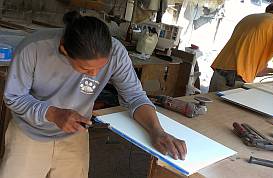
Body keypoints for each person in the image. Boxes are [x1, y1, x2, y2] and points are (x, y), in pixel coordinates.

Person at [0, 11, 186, 178]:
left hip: (74, 133)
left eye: (101, 68)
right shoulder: (33, 48)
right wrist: (54, 113)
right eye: (86, 68)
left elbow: (135, 96)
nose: (95, 75)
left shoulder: (116, 53)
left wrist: (157, 131)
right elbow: (14, 97)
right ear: (64, 50)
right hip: (29, 131)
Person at [209, 0, 273, 92]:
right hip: (233, 82)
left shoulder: (249, 18)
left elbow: (253, 69)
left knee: (209, 106)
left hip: (218, 76)